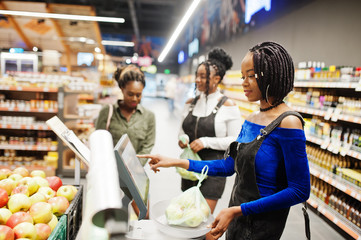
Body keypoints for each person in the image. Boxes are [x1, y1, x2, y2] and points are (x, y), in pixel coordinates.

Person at [138, 42, 311, 240]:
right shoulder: (252, 119)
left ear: (270, 75)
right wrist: (175, 162)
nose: (244, 82)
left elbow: (299, 190)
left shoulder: (289, 122)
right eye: (242, 76)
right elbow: (228, 166)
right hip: (236, 215)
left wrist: (239, 210)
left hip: (262, 225)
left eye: (251, 76)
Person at [178, 47, 242, 216]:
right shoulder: (190, 102)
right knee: (185, 216)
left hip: (214, 169)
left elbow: (236, 140)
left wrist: (206, 141)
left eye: (203, 76)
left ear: (217, 79)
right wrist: (182, 139)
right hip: (190, 167)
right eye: (197, 76)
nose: (198, 80)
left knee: (200, 218)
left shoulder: (228, 106)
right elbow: (181, 130)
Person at [95, 65, 156, 166]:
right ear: (122, 89)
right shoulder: (107, 111)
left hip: (134, 172)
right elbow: (98, 141)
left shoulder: (149, 116)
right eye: (130, 94)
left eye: (138, 95)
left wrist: (136, 166)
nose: (134, 99)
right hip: (109, 169)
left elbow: (147, 146)